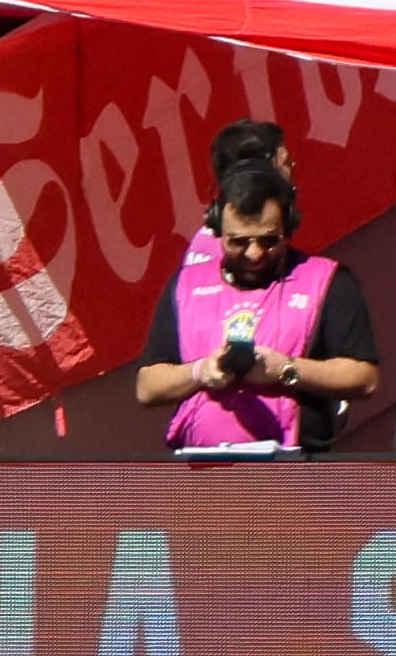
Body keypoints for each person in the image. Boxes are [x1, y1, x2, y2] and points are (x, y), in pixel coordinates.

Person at [132, 117, 372, 455]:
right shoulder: (185, 286)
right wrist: (202, 372)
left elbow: (364, 377)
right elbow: (148, 386)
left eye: (269, 241)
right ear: (217, 229)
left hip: (293, 475)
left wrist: (285, 370)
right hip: (203, 477)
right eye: (239, 242)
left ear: (288, 226)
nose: (255, 253)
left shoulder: (327, 280)